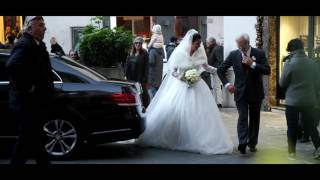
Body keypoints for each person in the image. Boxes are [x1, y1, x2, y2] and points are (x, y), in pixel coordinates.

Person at [138, 29, 234, 155]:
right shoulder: (180, 53)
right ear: (191, 42)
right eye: (197, 43)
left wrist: (217, 70)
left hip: (197, 85)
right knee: (176, 110)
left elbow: (206, 67)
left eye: (200, 43)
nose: (199, 46)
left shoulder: (200, 53)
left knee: (200, 113)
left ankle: (200, 138)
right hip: (181, 85)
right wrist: (182, 78)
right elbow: (172, 71)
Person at [6, 16, 54, 166]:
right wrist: (28, 86)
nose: (44, 28)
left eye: (44, 25)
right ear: (30, 28)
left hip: (34, 103)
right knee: (26, 140)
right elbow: (12, 66)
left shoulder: (37, 44)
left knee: (35, 139)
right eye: (40, 25)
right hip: (27, 103)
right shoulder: (25, 44)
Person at [217, 33, 270, 155]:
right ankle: (242, 142)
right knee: (242, 117)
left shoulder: (259, 53)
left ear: (247, 43)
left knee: (254, 119)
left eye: (241, 45)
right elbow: (221, 69)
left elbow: (267, 70)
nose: (239, 48)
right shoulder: (234, 54)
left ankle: (252, 143)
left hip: (256, 92)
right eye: (238, 45)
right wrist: (227, 84)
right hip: (240, 92)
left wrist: (253, 64)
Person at [279, 38, 320, 160]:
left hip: (292, 102)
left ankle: (291, 153)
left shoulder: (289, 64)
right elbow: (317, 83)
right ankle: (318, 148)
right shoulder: (312, 63)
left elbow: (282, 83)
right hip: (309, 100)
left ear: (291, 50)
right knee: (311, 126)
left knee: (292, 127)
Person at [125, 36, 150, 108]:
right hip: (131, 78)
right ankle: (134, 107)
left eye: (139, 43)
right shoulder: (131, 53)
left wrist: (146, 79)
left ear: (141, 44)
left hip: (141, 78)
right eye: (136, 43)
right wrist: (125, 75)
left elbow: (147, 67)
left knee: (143, 94)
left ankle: (145, 107)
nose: (138, 44)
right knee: (133, 93)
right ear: (134, 44)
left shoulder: (145, 53)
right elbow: (127, 65)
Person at [206, 37, 224, 108]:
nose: (207, 44)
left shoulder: (217, 48)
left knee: (217, 86)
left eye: (208, 42)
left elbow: (221, 60)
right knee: (215, 86)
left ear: (212, 42)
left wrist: (220, 69)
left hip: (217, 70)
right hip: (213, 70)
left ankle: (219, 102)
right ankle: (217, 101)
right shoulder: (212, 48)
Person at [147, 24, 164, 98]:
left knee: (153, 93)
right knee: (158, 90)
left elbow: (151, 62)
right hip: (159, 75)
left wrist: (148, 47)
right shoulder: (161, 50)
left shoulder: (152, 51)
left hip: (152, 75)